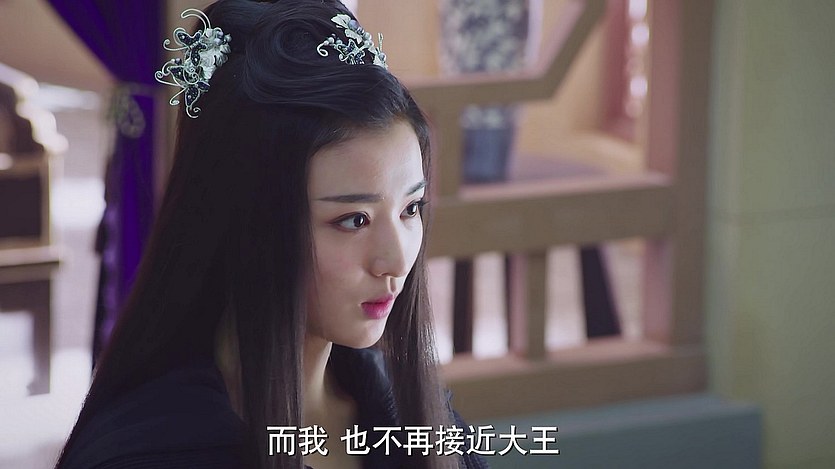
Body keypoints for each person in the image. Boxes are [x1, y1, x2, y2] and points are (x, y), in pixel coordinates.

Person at [53, 1, 488, 468]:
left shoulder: (416, 422)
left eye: (410, 209)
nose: (396, 260)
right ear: (248, 220)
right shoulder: (152, 453)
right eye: (353, 220)